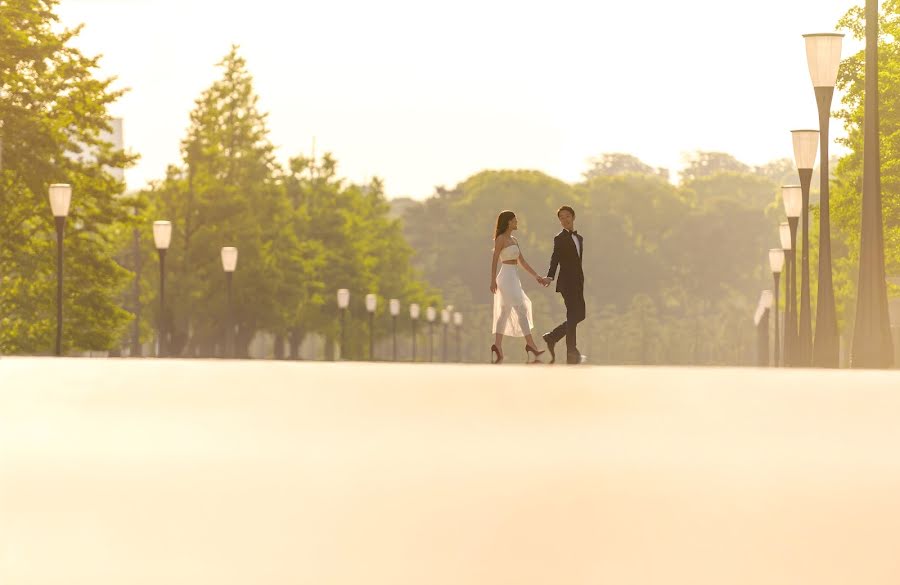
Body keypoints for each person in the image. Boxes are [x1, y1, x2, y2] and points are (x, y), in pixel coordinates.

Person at [489, 210, 546, 364]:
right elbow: (494, 260)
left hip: (514, 277)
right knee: (521, 309)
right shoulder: (501, 239)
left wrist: (537, 276)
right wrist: (492, 280)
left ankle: (497, 346)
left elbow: (523, 262)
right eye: (514, 220)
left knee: (505, 312)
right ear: (508, 222)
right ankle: (531, 345)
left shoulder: (514, 239)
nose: (516, 222)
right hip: (505, 277)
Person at [541, 205, 585, 365]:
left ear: (573, 217)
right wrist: (550, 276)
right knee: (573, 315)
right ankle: (571, 352)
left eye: (567, 216)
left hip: (578, 282)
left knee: (580, 315)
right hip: (566, 282)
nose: (564, 220)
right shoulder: (559, 238)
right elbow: (555, 258)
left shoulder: (579, 238)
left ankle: (552, 336)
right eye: (561, 217)